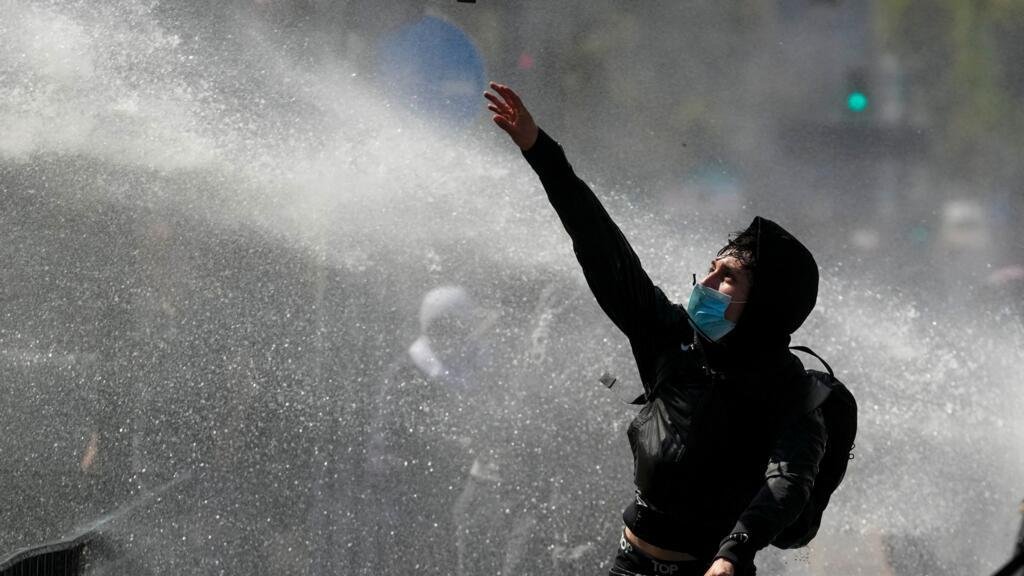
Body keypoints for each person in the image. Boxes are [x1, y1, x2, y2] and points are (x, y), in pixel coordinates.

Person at [484, 82, 827, 576]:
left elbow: (788, 481)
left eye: (727, 277)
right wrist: (541, 151)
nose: (705, 282)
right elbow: (602, 248)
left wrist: (734, 553)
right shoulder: (672, 340)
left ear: (766, 306)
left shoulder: (792, 393)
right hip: (630, 563)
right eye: (710, 267)